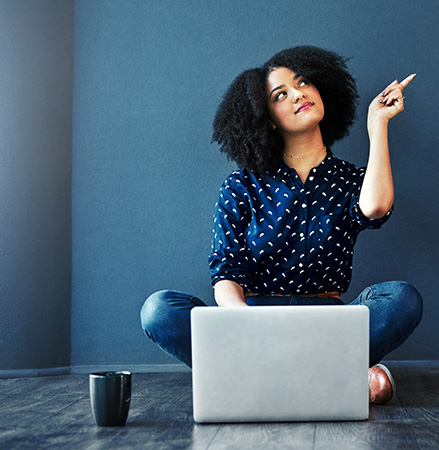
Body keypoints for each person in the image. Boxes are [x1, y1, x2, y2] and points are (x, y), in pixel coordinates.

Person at [140, 46, 423, 404]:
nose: (298, 93)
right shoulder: (241, 185)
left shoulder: (351, 179)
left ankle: (263, 384)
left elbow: (376, 207)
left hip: (328, 327)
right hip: (251, 325)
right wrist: (250, 326)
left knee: (402, 298)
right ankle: (330, 382)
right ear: (268, 118)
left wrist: (376, 125)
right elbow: (226, 274)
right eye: (281, 94)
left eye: (303, 82)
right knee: (159, 309)